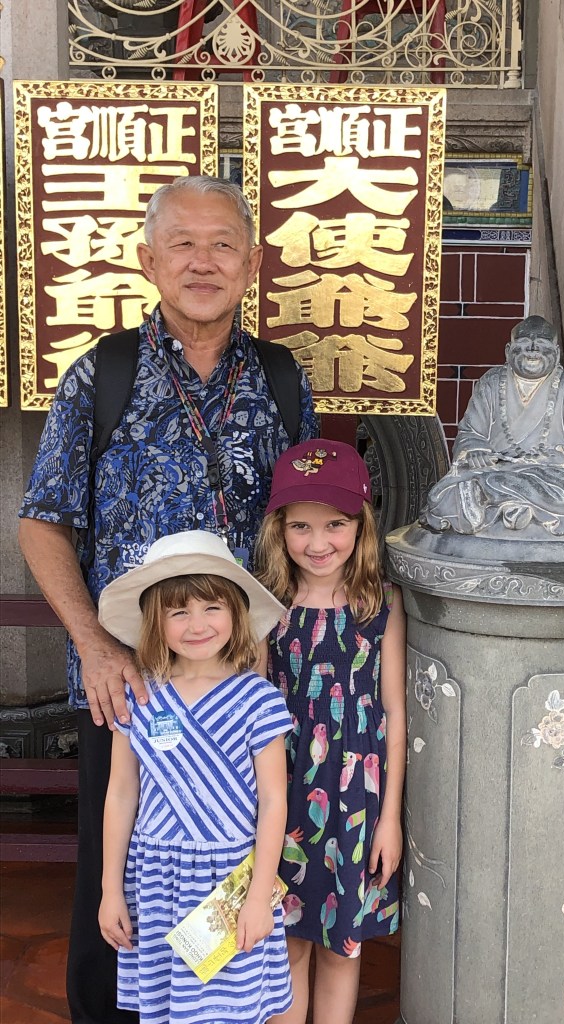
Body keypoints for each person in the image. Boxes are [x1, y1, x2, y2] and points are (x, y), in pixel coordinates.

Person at [17, 175, 318, 1024]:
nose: (203, 261)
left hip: (245, 690)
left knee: (237, 867)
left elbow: (303, 524)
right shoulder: (102, 375)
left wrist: (275, 632)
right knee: (113, 877)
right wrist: (96, 644)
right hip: (133, 688)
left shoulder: (281, 379)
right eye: (182, 243)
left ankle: (209, 1010)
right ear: (149, 260)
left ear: (253, 264)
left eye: (223, 243)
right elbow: (43, 523)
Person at [96, 530, 293, 1024]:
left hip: (230, 882)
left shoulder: (258, 700)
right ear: (154, 623)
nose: (197, 624)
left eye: (211, 608)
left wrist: (257, 897)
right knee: (169, 1011)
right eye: (178, 612)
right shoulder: (139, 697)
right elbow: (121, 795)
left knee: (232, 1009)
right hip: (158, 882)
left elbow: (274, 802)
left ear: (236, 613)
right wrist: (110, 889)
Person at [255, 439, 406, 1024]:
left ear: (360, 525)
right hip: (282, 794)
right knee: (286, 939)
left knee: (343, 945)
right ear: (279, 529)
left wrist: (389, 817)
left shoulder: (382, 606)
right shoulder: (267, 608)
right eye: (301, 527)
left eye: (335, 525)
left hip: (357, 805)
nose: (318, 544)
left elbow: (394, 716)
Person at [420, 314, 564, 536]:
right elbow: (470, 433)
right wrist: (476, 450)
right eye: (525, 344)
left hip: (552, 474)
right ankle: (510, 505)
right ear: (508, 351)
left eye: (542, 346)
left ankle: (493, 501)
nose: (532, 351)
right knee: (440, 496)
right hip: (498, 467)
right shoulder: (491, 382)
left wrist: (559, 456)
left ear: (556, 353)